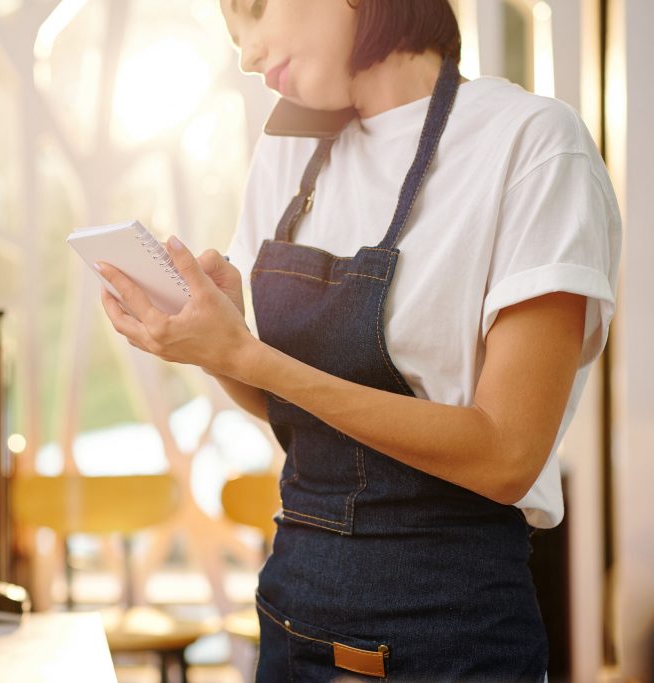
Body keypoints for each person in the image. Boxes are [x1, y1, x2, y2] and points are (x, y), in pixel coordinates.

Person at [95, 0, 621, 680]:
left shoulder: (533, 145)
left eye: (254, 12)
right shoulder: (288, 150)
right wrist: (215, 345)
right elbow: (300, 411)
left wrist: (250, 356)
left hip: (448, 634)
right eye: (233, 36)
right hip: (291, 616)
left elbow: (507, 453)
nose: (247, 55)